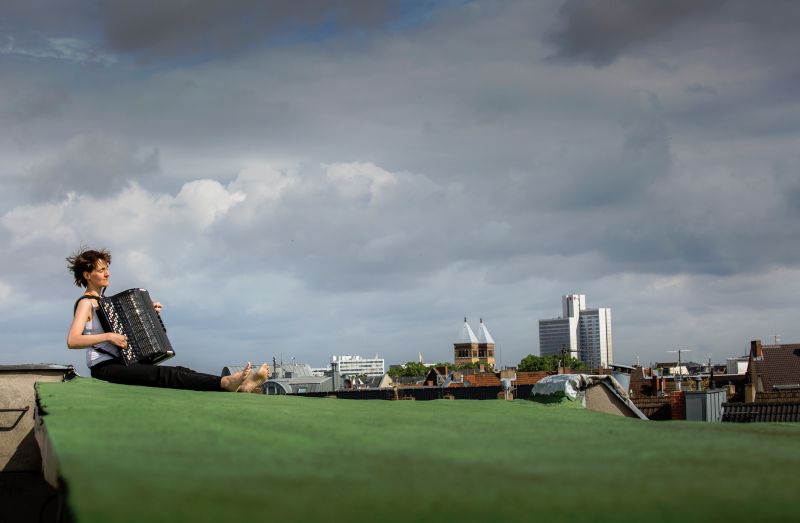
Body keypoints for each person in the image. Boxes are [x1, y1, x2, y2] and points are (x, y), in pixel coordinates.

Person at [66, 247, 270, 392]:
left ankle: (238, 385)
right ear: (87, 274)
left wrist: (148, 312)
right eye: (101, 270)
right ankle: (226, 383)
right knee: (165, 375)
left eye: (106, 268)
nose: (107, 273)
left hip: (121, 362)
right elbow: (73, 340)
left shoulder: (105, 303)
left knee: (179, 370)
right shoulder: (86, 303)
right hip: (104, 368)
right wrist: (109, 336)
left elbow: (127, 331)